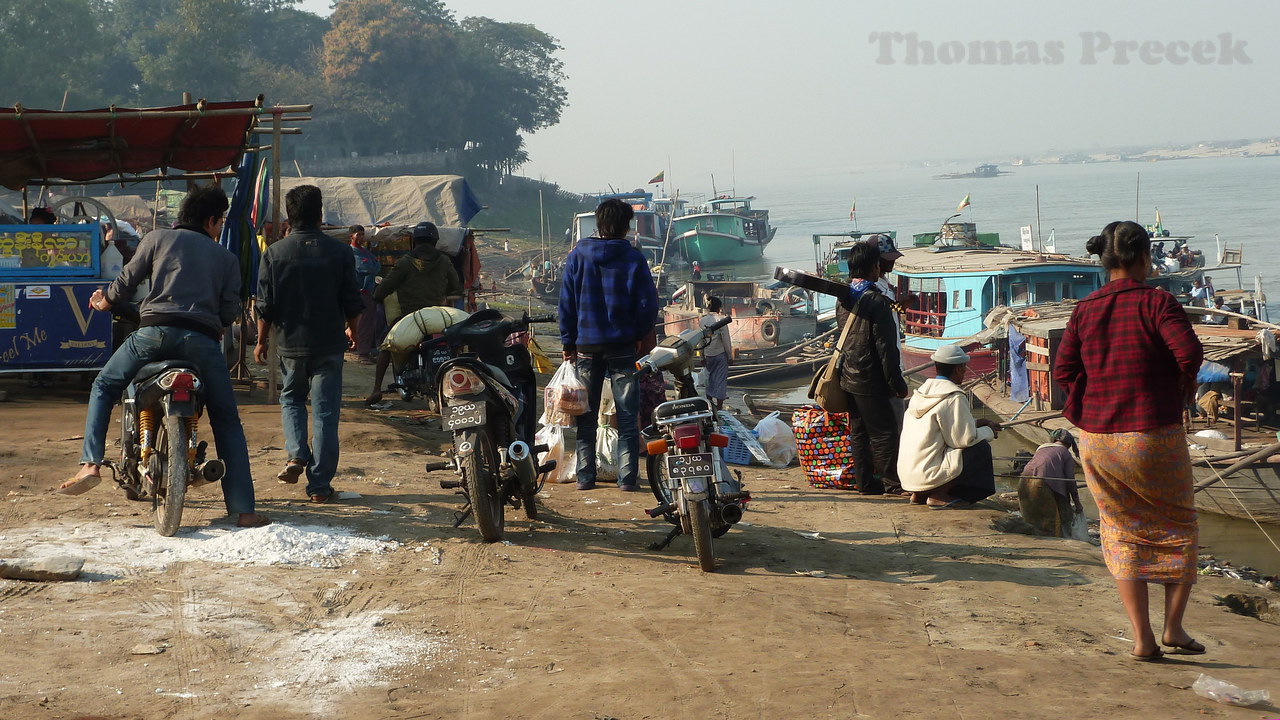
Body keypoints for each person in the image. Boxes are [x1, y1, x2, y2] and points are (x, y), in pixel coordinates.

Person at [56, 186, 269, 528]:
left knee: (104, 384)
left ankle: (91, 464)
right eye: (220, 222)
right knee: (227, 419)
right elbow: (230, 311)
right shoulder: (226, 259)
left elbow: (125, 283)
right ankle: (243, 510)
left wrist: (104, 302)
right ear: (212, 221)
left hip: (152, 335)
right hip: (202, 343)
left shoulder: (156, 239)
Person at [1054, 220, 1205, 662]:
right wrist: (1182, 384)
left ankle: (1143, 640)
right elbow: (1189, 353)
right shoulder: (1157, 302)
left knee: (1121, 531)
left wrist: (1088, 412)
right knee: (1178, 526)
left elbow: (1064, 374)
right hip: (1151, 433)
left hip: (1097, 440)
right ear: (1143, 258)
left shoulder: (1084, 309)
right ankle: (1173, 628)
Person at [255, 185, 364, 504]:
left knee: (291, 399)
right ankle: (318, 487)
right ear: (320, 214)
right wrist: (353, 331)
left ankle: (295, 456)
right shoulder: (341, 251)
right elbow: (352, 300)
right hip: (329, 344)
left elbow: (265, 305)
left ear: (290, 216)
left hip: (290, 345)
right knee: (326, 412)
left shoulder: (274, 253)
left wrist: (261, 341)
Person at [559, 198, 659, 491]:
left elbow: (567, 304)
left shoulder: (578, 256)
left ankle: (585, 477)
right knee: (627, 415)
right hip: (624, 345)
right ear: (625, 226)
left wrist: (568, 342)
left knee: (586, 414)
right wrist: (640, 333)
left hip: (586, 344)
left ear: (599, 224)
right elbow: (647, 304)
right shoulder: (633, 258)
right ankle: (627, 479)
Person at [837, 242, 908, 495]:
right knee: (884, 433)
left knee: (859, 432)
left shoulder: (845, 297)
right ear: (874, 267)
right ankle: (893, 484)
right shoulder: (878, 302)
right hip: (871, 378)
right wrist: (896, 383)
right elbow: (886, 348)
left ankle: (864, 482)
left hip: (849, 376)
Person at [365, 221, 463, 405]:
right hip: (437, 316)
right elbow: (454, 284)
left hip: (409, 317)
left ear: (414, 241)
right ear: (435, 241)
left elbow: (386, 286)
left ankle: (377, 389)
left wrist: (377, 295)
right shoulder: (444, 261)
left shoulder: (405, 263)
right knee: (456, 345)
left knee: (386, 345)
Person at [898, 344, 1000, 508]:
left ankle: (920, 494)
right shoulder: (953, 396)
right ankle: (939, 495)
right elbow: (964, 440)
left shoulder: (920, 394)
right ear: (959, 369)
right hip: (928, 475)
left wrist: (975, 423)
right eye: (964, 368)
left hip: (908, 477)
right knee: (979, 448)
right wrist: (988, 431)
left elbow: (942, 427)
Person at [867, 233, 908, 428]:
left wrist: (903, 306)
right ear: (875, 262)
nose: (891, 264)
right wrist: (895, 378)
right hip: (886, 370)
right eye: (887, 260)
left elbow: (892, 310)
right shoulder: (874, 290)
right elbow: (883, 338)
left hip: (891, 365)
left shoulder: (884, 286)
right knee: (892, 429)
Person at [1018, 429, 1084, 537]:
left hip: (1023, 481)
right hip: (1041, 484)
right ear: (1069, 444)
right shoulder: (1065, 453)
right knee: (1051, 523)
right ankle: (1055, 547)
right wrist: (1077, 502)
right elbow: (1069, 480)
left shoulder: (1041, 449)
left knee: (1031, 519)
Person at [348, 225, 381, 361]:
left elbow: (376, 266)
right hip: (360, 292)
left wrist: (373, 266)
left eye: (362, 234)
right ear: (351, 236)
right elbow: (368, 268)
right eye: (358, 234)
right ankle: (363, 353)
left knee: (368, 323)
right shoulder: (352, 252)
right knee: (363, 323)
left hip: (369, 292)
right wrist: (373, 266)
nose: (361, 237)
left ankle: (365, 351)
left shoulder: (365, 252)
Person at [699, 296, 733, 412]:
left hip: (708, 354)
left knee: (709, 379)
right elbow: (726, 340)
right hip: (720, 354)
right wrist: (730, 356)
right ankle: (719, 408)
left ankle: (709, 403)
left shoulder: (702, 321)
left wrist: (701, 356)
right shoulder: (721, 320)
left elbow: (700, 340)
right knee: (720, 380)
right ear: (719, 308)